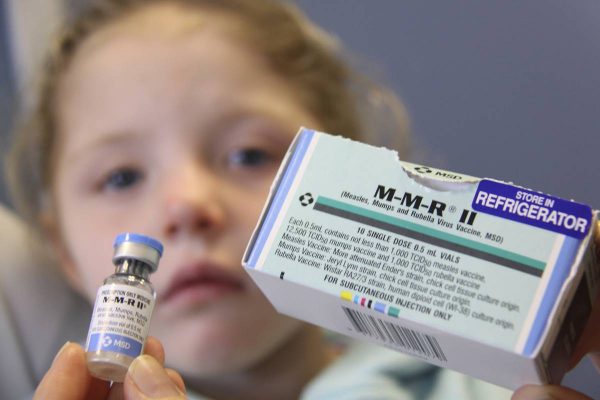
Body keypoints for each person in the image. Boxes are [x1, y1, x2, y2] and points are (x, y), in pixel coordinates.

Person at [4, 0, 598, 399]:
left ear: (347, 176)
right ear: (63, 252)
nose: (187, 204)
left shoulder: (482, 387)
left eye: (248, 155)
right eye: (121, 177)